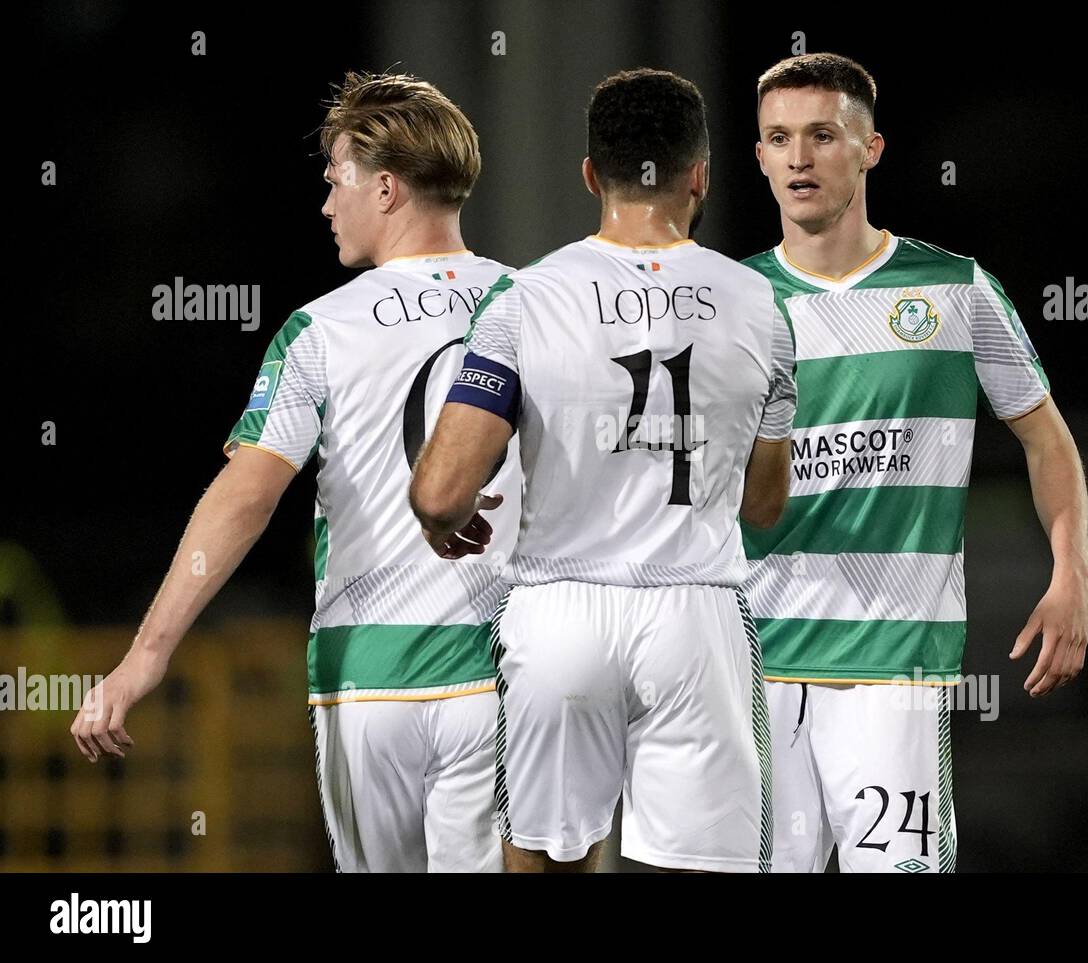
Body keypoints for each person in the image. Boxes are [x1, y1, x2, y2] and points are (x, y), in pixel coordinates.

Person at [71, 71, 519, 873]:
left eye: (333, 180)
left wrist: (147, 653)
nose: (325, 204)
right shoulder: (538, 304)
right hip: (506, 673)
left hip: (372, 678)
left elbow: (246, 494)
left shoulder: (322, 329)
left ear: (385, 188)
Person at [409, 68, 796, 872]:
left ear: (591, 174)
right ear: (700, 174)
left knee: (546, 861)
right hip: (696, 614)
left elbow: (441, 490)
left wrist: (444, 521)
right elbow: (764, 506)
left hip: (560, 613)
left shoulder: (525, 300)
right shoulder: (760, 304)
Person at [741, 53, 1088, 873]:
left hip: (893, 670)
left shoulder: (955, 291)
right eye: (779, 138)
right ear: (757, 156)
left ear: (870, 148)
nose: (799, 158)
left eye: (822, 135)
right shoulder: (732, 302)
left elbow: (1049, 440)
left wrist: (1073, 572)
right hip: (751, 665)